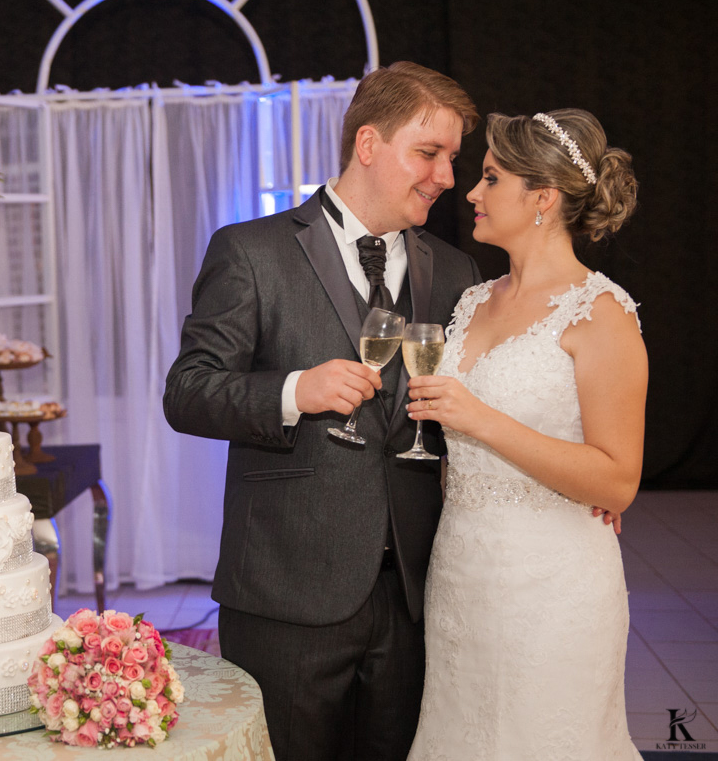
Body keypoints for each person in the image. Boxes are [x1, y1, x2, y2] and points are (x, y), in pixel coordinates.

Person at [163, 62, 482, 760]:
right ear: (368, 144)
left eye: (452, 159)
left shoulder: (458, 273)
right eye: (428, 154)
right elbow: (187, 391)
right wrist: (291, 391)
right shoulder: (251, 251)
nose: (446, 177)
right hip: (286, 595)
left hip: (414, 598)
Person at [404, 109, 644, 760]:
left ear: (542, 197)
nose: (472, 193)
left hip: (553, 584)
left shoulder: (601, 313)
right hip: (461, 572)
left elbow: (618, 481)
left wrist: (479, 420)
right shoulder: (472, 301)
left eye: (490, 178)